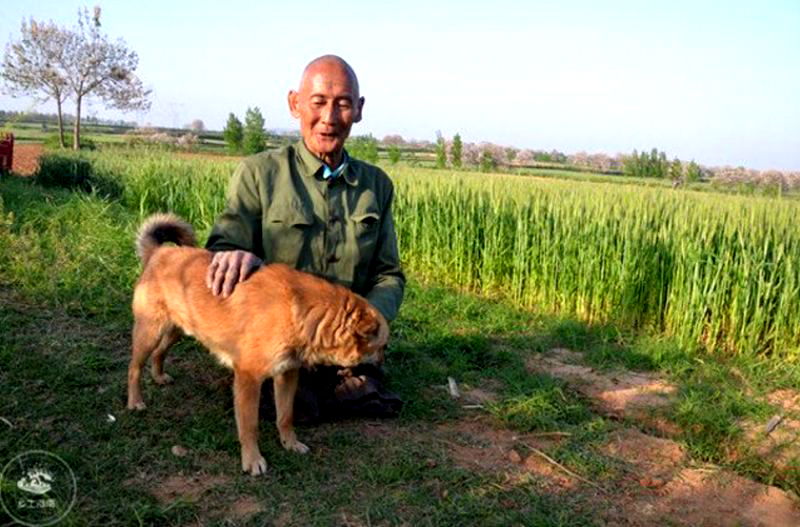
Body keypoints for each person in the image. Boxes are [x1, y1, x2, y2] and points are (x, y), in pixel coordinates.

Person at [204, 55, 405, 419]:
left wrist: (372, 319)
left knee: (329, 394)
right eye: (318, 103)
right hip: (282, 336)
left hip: (343, 340)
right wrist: (233, 253)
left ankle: (339, 382)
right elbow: (223, 247)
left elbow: (389, 274)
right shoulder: (259, 174)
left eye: (343, 104)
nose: (329, 118)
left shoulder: (376, 185)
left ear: (358, 110)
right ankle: (321, 391)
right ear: (295, 104)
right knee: (290, 391)